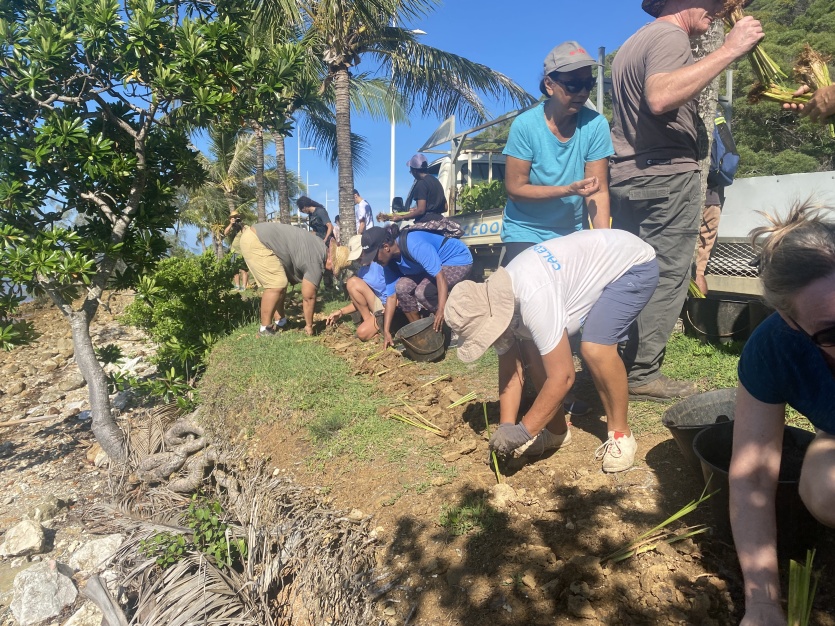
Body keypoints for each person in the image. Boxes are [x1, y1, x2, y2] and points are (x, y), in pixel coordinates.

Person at [608, 0, 764, 400]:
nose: (716, 8)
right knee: (667, 274)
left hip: (629, 175)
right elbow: (660, 97)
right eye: (710, 2)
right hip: (664, 176)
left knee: (632, 275)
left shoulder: (632, 43)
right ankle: (641, 375)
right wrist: (729, 49)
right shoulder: (669, 36)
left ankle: (615, 360)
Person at [444, 229, 659, 472]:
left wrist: (524, 432)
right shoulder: (497, 303)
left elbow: (564, 377)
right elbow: (510, 372)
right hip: (586, 269)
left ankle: (621, 434)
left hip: (631, 265)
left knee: (595, 347)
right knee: (534, 356)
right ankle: (557, 432)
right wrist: (506, 426)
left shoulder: (532, 296)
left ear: (494, 318)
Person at [729, 202, 835, 626]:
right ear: (789, 322)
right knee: (826, 489)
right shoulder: (773, 349)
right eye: (831, 332)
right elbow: (752, 474)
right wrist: (763, 605)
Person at [500, 41, 613, 266]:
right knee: (524, 295)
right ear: (549, 84)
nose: (582, 92)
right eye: (573, 85)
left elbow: (597, 192)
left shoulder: (596, 125)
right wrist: (567, 190)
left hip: (570, 233)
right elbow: (515, 189)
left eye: (588, 84)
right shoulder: (525, 125)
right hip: (525, 230)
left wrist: (605, 243)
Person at [359, 224, 473, 345]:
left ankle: (456, 327)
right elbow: (391, 297)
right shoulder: (389, 263)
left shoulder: (413, 244)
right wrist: (386, 330)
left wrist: (441, 309)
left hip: (457, 259)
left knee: (423, 292)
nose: (374, 261)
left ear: (386, 247)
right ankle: (421, 332)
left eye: (375, 256)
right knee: (401, 287)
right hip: (432, 268)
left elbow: (440, 277)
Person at [240, 223, 350, 337]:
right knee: (276, 284)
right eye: (334, 268)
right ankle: (264, 330)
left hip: (255, 236)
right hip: (257, 241)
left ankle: (281, 322)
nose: (331, 272)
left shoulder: (319, 246)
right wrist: (309, 326)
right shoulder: (315, 262)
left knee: (281, 282)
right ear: (330, 261)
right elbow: (309, 297)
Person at [327, 236, 402, 341]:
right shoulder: (362, 271)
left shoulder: (381, 262)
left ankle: (381, 325)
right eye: (356, 258)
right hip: (380, 304)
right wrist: (341, 311)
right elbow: (359, 301)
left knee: (362, 333)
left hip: (393, 304)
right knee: (352, 283)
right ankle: (373, 321)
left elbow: (399, 288)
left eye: (360, 255)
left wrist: (394, 305)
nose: (358, 260)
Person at [389, 155, 447, 224]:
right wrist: (425, 209)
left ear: (415, 171)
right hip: (440, 222)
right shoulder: (436, 181)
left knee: (405, 233)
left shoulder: (421, 183)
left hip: (426, 223)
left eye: (411, 171)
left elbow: (421, 210)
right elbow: (445, 207)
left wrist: (402, 217)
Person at [224, 210, 249, 291]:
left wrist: (241, 225)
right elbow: (225, 233)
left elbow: (246, 234)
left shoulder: (245, 226)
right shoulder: (232, 228)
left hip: (243, 252)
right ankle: (237, 286)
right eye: (234, 218)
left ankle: (244, 286)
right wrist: (231, 224)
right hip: (234, 252)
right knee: (234, 269)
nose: (236, 219)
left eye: (237, 218)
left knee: (244, 270)